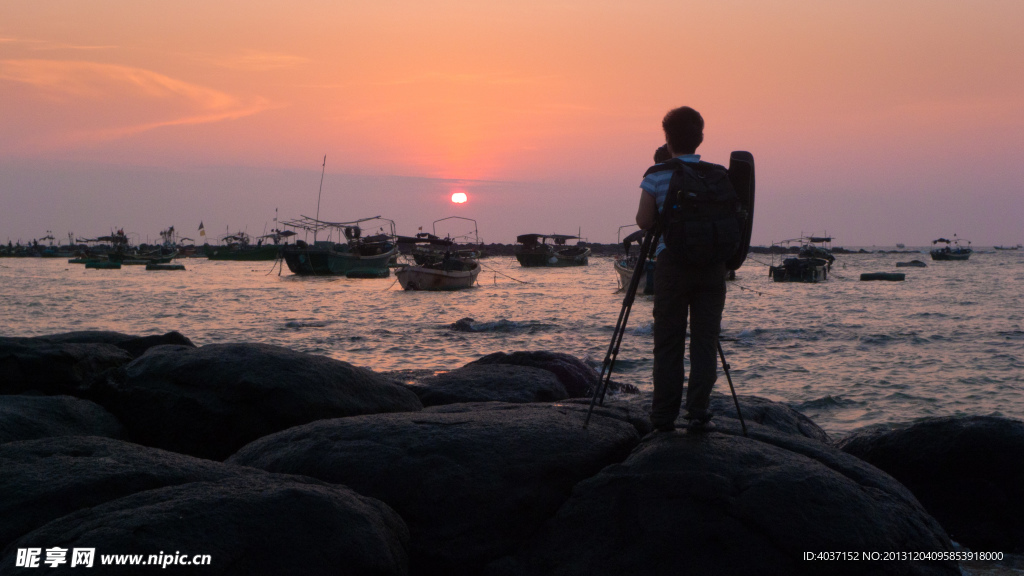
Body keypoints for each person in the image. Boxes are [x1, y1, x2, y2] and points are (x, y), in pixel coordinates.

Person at [636, 106, 726, 432]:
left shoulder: (657, 174)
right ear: (700, 138)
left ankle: (663, 417)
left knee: (669, 341)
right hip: (713, 269)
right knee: (705, 342)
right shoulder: (719, 176)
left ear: (667, 139)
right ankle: (698, 412)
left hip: (672, 266)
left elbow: (644, 221)